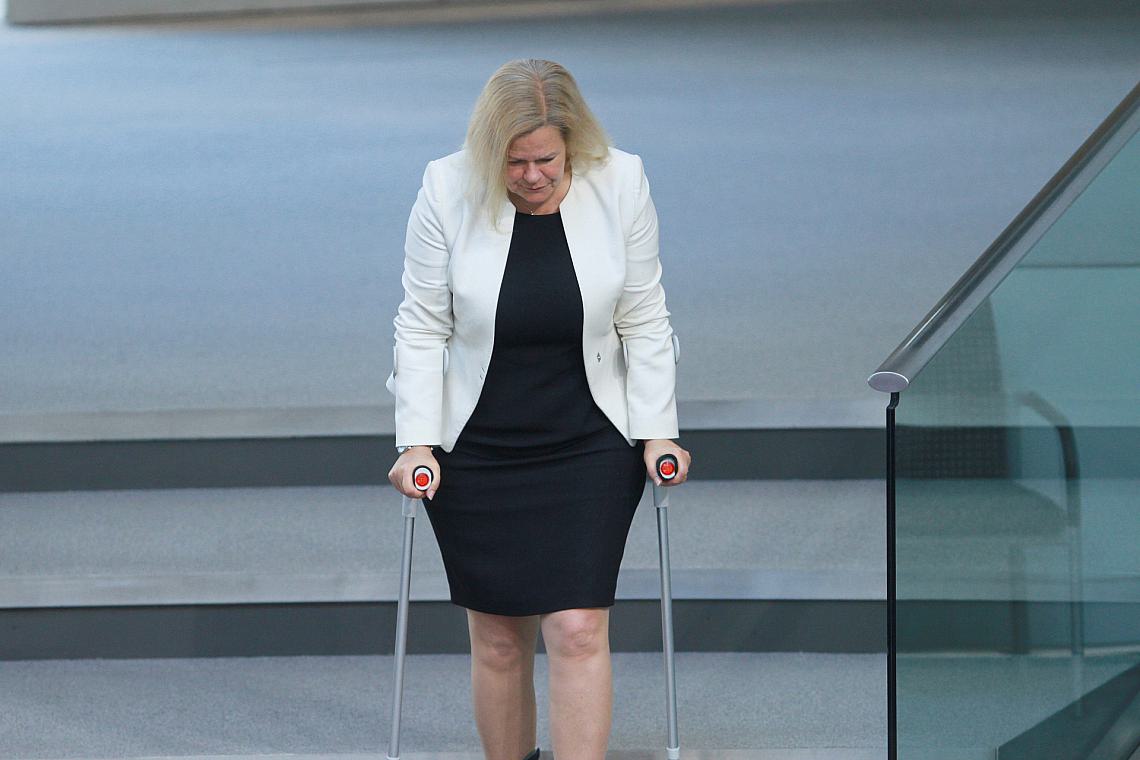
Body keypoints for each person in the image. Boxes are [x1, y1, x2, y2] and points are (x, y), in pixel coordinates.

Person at [385, 58, 691, 760]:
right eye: (514, 161)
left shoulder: (622, 181)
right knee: (499, 638)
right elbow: (422, 325)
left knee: (578, 627)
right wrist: (417, 441)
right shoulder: (445, 187)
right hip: (478, 445)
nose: (530, 176)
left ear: (573, 145)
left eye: (546, 159)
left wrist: (657, 432)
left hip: (588, 437)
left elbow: (644, 316)